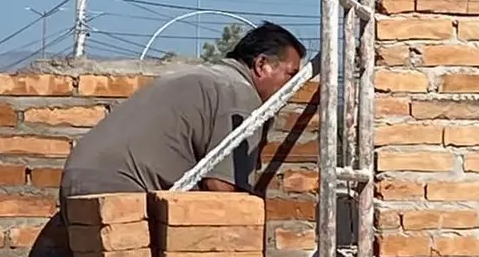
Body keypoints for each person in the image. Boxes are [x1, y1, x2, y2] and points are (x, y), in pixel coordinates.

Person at [58, 22, 306, 210]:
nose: (292, 88)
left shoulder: (204, 78)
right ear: (262, 65)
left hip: (80, 180)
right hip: (120, 191)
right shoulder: (240, 94)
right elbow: (223, 192)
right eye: (290, 75)